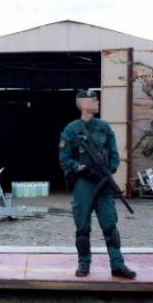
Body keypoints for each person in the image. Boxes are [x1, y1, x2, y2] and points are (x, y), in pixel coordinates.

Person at [58, 89, 136, 279]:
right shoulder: (71, 130)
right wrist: (78, 167)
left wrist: (108, 172)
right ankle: (84, 263)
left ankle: (117, 264)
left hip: (103, 183)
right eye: (94, 100)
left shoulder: (104, 128)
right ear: (83, 104)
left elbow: (114, 154)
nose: (97, 102)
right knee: (82, 226)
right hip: (84, 183)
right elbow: (64, 158)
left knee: (110, 224)